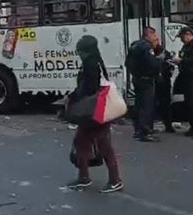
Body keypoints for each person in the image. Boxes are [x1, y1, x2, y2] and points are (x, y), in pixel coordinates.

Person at [66, 35, 123, 193]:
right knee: (83, 143)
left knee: (102, 146)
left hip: (93, 113)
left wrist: (73, 96)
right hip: (93, 112)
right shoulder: (95, 61)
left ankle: (114, 180)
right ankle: (84, 177)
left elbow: (88, 89)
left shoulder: (91, 65)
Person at [127, 27, 162, 142]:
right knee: (147, 106)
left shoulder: (134, 45)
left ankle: (137, 130)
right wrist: (159, 60)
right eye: (154, 36)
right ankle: (146, 132)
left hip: (137, 79)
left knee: (138, 105)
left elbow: (127, 63)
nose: (156, 38)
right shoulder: (147, 47)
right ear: (149, 35)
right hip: (146, 80)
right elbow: (153, 63)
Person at [153, 44, 175, 133]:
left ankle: (168, 125)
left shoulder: (167, 56)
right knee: (153, 104)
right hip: (155, 82)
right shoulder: (151, 56)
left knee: (165, 104)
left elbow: (171, 68)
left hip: (164, 82)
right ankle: (151, 126)